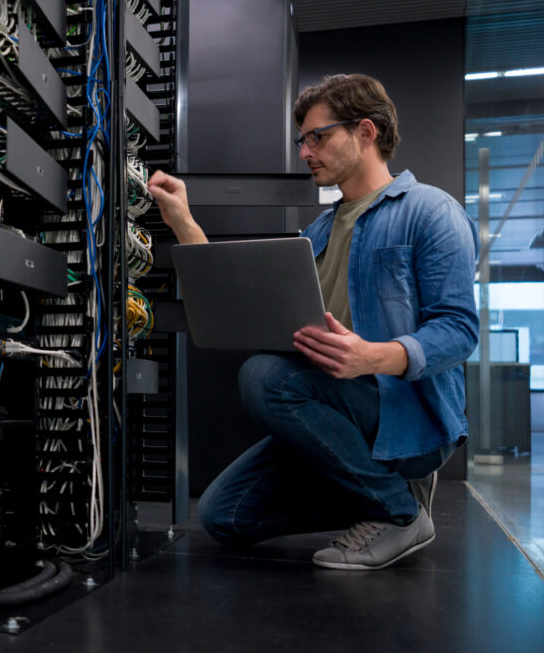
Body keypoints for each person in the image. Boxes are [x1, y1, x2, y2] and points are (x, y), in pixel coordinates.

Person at [146, 74, 480, 570]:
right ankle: (384, 495)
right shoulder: (316, 232)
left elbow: (458, 330)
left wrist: (372, 356)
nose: (305, 151)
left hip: (402, 412)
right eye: (302, 139)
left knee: (263, 376)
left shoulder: (430, 212)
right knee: (225, 517)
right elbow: (238, 304)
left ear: (365, 132)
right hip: (337, 411)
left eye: (317, 137)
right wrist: (183, 222)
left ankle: (400, 511)